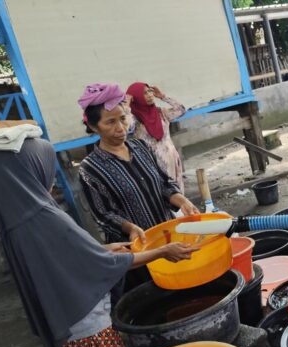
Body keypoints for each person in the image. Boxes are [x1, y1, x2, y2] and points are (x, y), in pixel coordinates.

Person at [0, 134, 196, 347]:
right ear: (27, 171)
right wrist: (161, 252)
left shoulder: (16, 222)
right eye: (44, 167)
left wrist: (100, 248)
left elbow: (63, 257)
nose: (51, 179)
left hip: (67, 331)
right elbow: (101, 266)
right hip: (89, 332)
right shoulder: (44, 215)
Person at [77, 83, 200, 298]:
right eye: (111, 122)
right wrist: (130, 227)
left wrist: (181, 201)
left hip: (168, 238)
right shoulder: (91, 169)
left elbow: (164, 183)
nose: (121, 128)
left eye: (123, 118)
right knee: (154, 300)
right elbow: (104, 215)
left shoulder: (141, 147)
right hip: (136, 252)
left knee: (184, 291)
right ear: (94, 127)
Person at [126, 82, 187, 192]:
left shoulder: (161, 113)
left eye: (150, 91)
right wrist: (126, 104)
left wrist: (163, 97)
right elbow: (127, 127)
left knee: (179, 194)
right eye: (145, 93)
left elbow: (181, 110)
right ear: (135, 98)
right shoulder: (135, 119)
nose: (150, 95)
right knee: (161, 195)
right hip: (151, 164)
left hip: (171, 159)